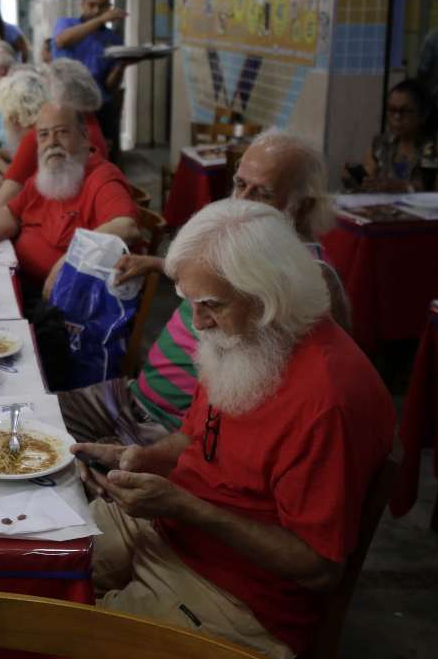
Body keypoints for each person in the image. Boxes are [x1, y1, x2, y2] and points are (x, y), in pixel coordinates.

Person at [73, 198, 395, 658]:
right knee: (26, 573)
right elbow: (196, 439)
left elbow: (319, 567)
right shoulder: (246, 338)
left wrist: (186, 507)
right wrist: (143, 457)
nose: (197, 322)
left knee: (50, 640)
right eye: (188, 302)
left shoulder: (328, 398)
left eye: (210, 305)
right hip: (169, 533)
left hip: (236, 597)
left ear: (270, 295)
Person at [62, 131, 351, 447]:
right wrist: (157, 264)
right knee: (28, 416)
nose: (242, 202)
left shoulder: (307, 278)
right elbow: (218, 284)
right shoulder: (249, 247)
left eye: (263, 194)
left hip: (174, 432)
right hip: (133, 399)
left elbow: (318, 378)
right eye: (240, 185)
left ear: (303, 206)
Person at [0, 101, 141, 295]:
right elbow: (10, 213)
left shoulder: (102, 178)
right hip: (22, 284)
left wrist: (70, 260)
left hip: (65, 304)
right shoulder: (47, 175)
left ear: (84, 137)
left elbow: (127, 227)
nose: (52, 142)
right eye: (44, 135)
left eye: (62, 132)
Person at [0, 58, 111, 208]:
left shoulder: (44, 135)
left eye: (44, 91)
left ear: (58, 97)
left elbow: (2, 202)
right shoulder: (92, 125)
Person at [347, 78, 438, 194]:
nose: (397, 117)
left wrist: (407, 186)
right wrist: (354, 180)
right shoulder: (381, 143)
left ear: (423, 114)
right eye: (392, 110)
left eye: (404, 111)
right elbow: (368, 180)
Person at [52, 0, 127, 154]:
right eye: (91, 5)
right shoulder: (66, 24)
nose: (96, 10)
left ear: (108, 6)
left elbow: (109, 86)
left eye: (102, 7)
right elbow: (62, 40)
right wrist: (100, 19)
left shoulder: (112, 39)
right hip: (68, 104)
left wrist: (121, 65)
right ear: (82, 3)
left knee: (102, 155)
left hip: (100, 107)